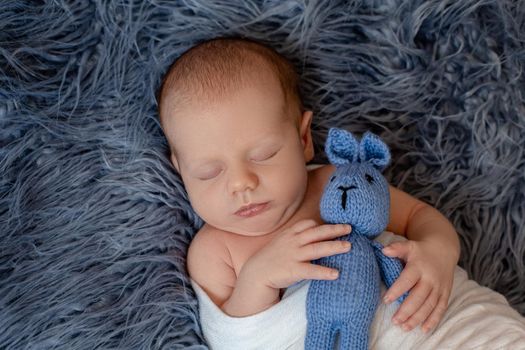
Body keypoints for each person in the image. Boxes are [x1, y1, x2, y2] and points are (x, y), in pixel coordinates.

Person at [157, 38, 525, 349]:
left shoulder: (339, 182)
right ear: (180, 169)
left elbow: (419, 217)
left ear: (303, 140)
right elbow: (231, 340)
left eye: (264, 155)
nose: (241, 183)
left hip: (456, 328)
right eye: (209, 172)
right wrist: (258, 278)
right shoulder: (215, 250)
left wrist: (438, 253)